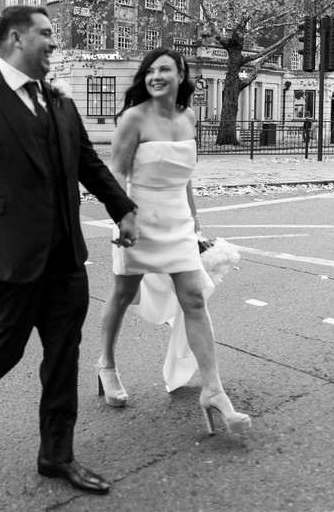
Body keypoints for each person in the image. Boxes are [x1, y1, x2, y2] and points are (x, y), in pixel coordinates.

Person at [0, 6, 138, 494]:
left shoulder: (60, 103)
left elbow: (88, 163)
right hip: (2, 258)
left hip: (65, 258)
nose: (53, 43)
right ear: (15, 39)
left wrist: (122, 209)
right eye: (45, 34)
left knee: (64, 357)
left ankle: (56, 456)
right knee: (1, 352)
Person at [98, 47, 252, 436]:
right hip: (138, 221)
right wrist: (123, 219)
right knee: (121, 295)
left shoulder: (188, 118)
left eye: (164, 69)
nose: (155, 75)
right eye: (150, 70)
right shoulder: (133, 119)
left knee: (195, 300)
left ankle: (213, 391)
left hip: (178, 224)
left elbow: (184, 178)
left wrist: (196, 223)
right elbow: (115, 178)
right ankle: (107, 364)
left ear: (181, 75)